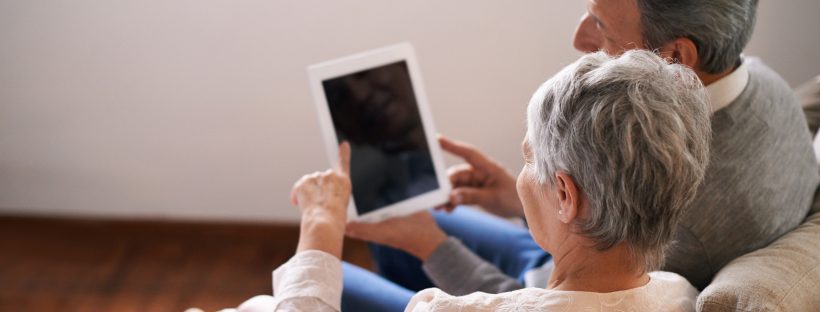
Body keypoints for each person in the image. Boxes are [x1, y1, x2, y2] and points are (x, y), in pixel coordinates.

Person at [341, 1, 820, 310]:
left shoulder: (695, 221)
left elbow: (565, 301)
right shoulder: (758, 81)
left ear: (676, 57)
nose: (579, 39)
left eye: (601, 24)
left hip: (548, 286)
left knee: (361, 261)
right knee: (396, 217)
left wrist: (433, 249)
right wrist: (522, 193)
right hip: (566, 246)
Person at [233, 50, 713, 311]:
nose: (524, 176)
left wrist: (318, 228)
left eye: (529, 160)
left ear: (566, 195)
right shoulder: (683, 295)